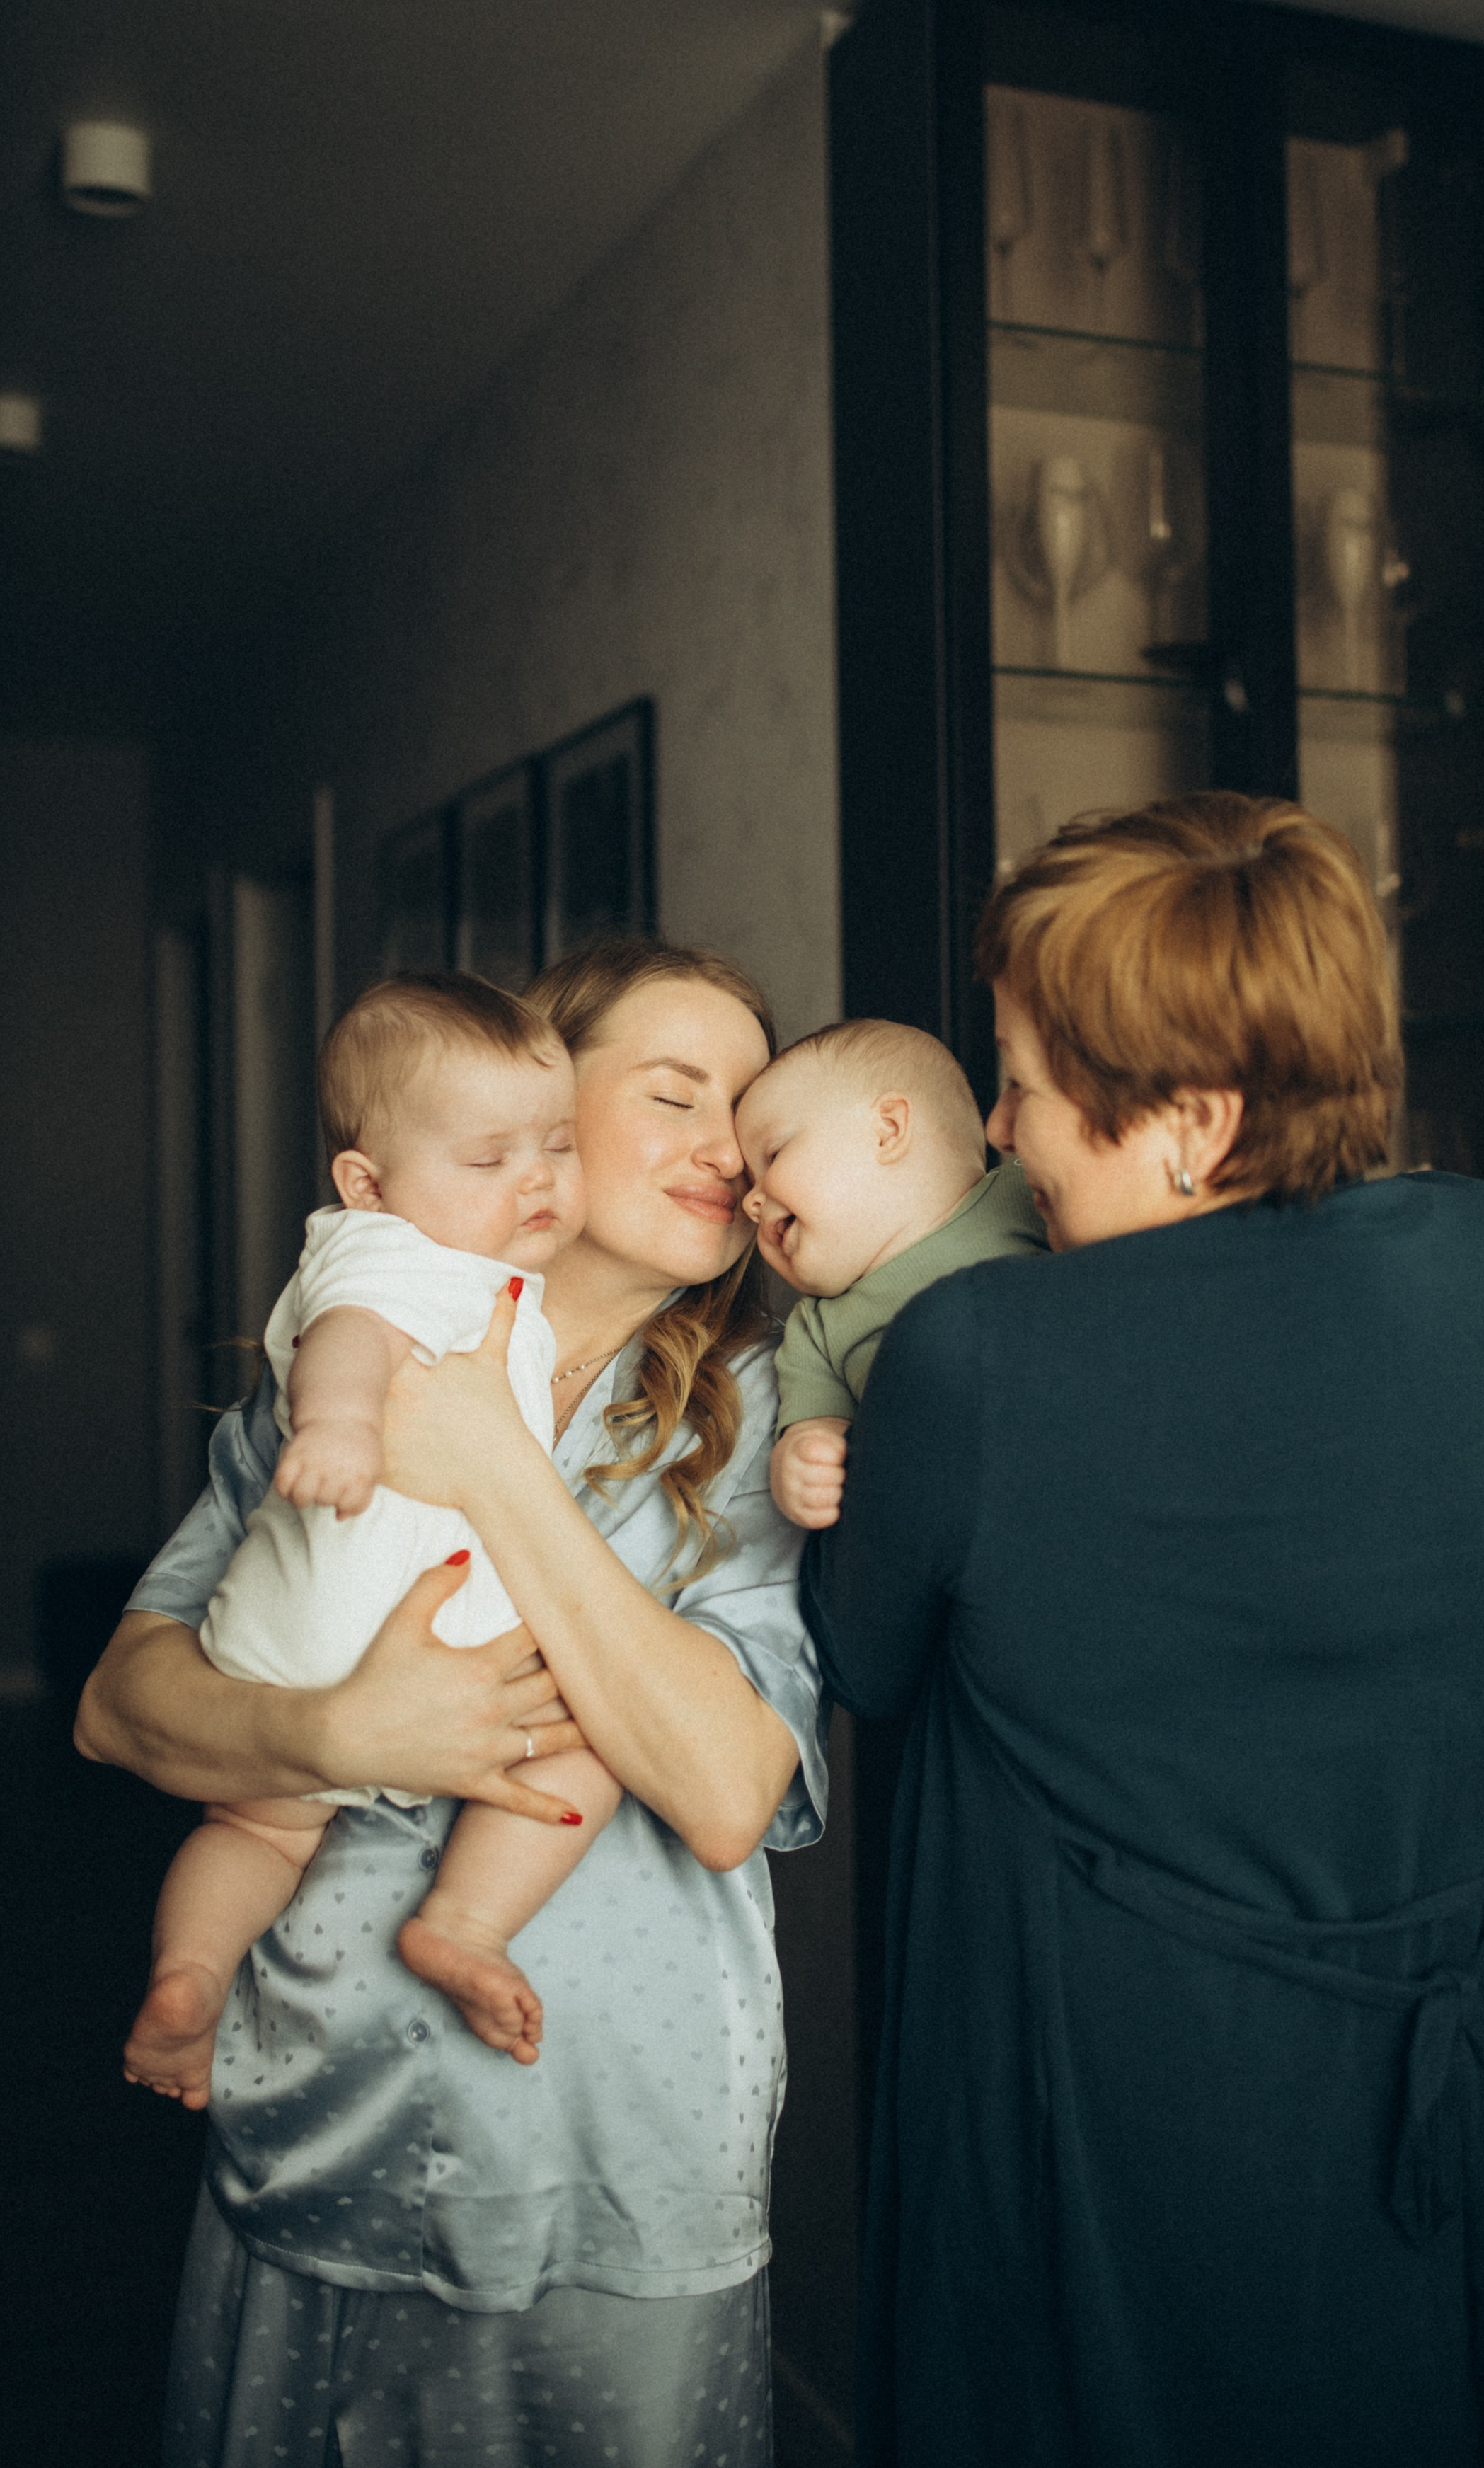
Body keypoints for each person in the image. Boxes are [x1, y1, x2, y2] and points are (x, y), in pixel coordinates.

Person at [803, 794, 1484, 2468]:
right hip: (1478, 2116)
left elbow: (865, 1658)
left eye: (1031, 1087)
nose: (999, 1132)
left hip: (1145, 2146)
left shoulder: (976, 1358)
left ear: (1189, 1117)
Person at [78, 937, 826, 2468]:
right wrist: (330, 1736)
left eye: (745, 1111)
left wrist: (493, 1457)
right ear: (538, 1096)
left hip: (620, 2152)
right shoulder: (342, 1361)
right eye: (673, 1093)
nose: (722, 1146)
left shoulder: (774, 1422)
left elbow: (728, 1788)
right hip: (315, 2125)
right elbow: (120, 1706)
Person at [125, 972, 624, 2110]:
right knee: (592, 1750)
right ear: (368, 1182)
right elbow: (343, 1339)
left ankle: (190, 1981)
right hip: (365, 1597)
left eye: (556, 1145)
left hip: (315, 1630)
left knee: (257, 1830)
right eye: (490, 1160)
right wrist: (339, 1426)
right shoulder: (386, 1251)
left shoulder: (486, 1268)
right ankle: (462, 1921)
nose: (537, 1179)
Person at [736, 1017, 1043, 1529]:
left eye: (772, 1155)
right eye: (750, 1180)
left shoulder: (1022, 1197)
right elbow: (816, 1426)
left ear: (888, 1130)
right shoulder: (814, 1330)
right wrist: (804, 1458)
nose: (750, 1200)